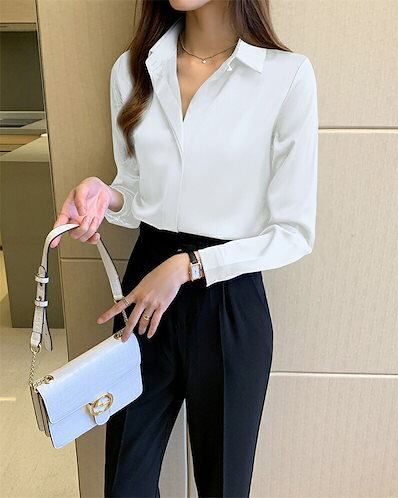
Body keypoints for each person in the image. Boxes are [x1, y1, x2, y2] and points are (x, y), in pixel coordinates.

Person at [52, 1, 318, 496]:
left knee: (223, 484)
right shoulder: (134, 67)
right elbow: (135, 191)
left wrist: (189, 266)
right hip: (144, 287)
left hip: (228, 295)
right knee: (124, 484)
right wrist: (104, 195)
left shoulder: (285, 77)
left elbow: (293, 231)